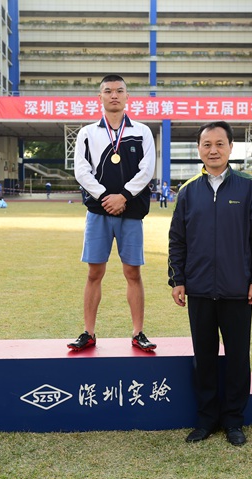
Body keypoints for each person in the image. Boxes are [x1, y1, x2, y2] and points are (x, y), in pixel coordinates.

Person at [169, 121, 252, 446]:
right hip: (199, 289)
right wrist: (178, 280)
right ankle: (207, 419)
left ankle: (234, 421)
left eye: (219, 144)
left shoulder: (247, 188)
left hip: (237, 290)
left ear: (230, 147)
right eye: (207, 144)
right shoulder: (188, 191)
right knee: (204, 357)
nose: (213, 150)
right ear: (199, 149)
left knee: (238, 358)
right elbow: (177, 240)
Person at [69, 74, 156, 352]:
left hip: (131, 211)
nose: (114, 95)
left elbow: (147, 169)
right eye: (108, 91)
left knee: (133, 272)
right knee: (94, 272)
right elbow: (81, 170)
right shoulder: (87, 133)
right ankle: (89, 332)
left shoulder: (142, 131)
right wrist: (105, 197)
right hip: (99, 211)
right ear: (100, 97)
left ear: (128, 96)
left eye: (119, 90)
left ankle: (138, 332)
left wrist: (124, 196)